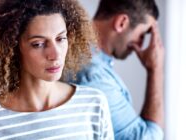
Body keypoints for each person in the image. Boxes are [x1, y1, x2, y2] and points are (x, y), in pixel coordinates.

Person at [0, 0, 114, 139]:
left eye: (61, 38)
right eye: (38, 44)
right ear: (12, 47)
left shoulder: (93, 104)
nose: (56, 55)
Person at [69, 0, 165, 139]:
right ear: (121, 23)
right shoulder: (95, 77)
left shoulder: (77, 51)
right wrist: (156, 69)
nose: (141, 45)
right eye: (142, 35)